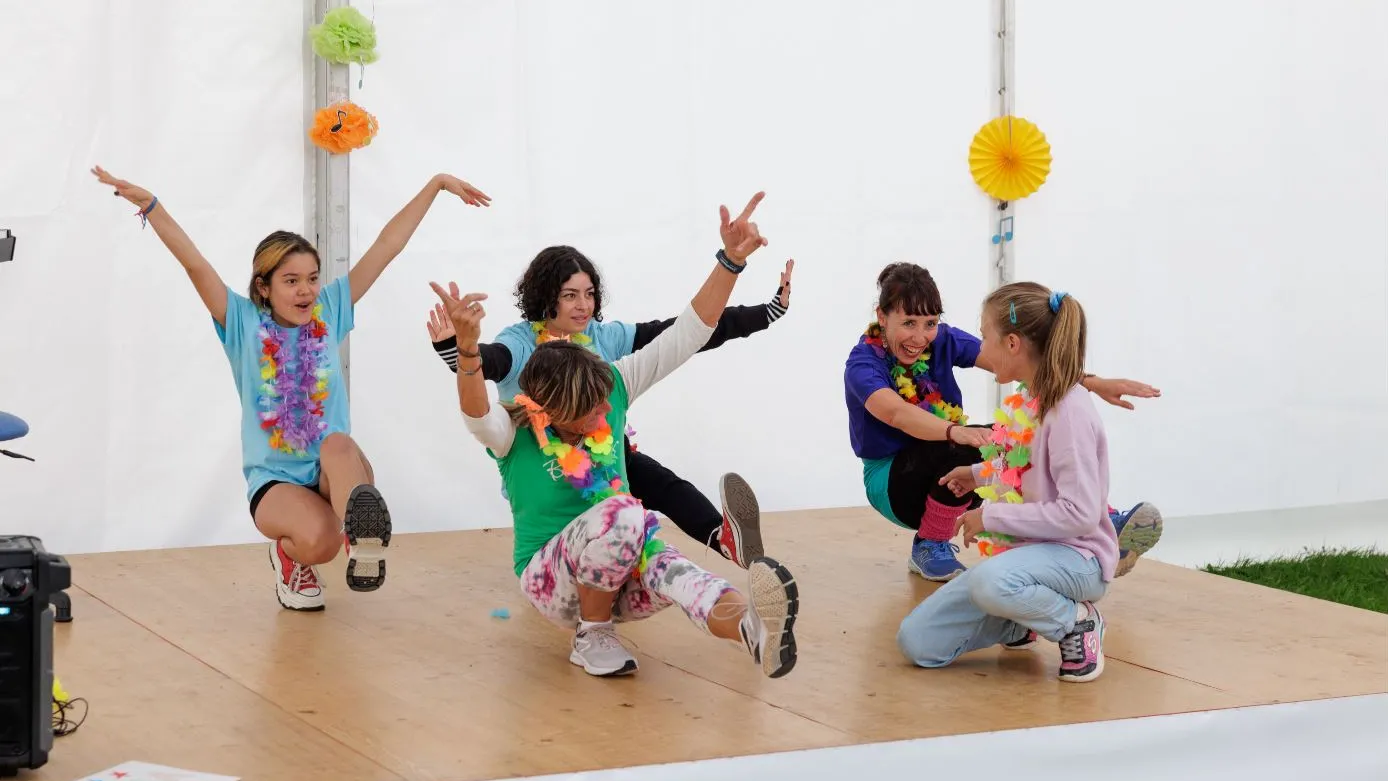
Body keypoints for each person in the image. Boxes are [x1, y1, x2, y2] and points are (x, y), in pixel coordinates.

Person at [91, 164, 491, 612]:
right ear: (263, 288)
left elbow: (386, 246)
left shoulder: (332, 308)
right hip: (275, 480)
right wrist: (152, 206)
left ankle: (364, 544)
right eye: (291, 280)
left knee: (338, 443)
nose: (306, 291)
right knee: (318, 543)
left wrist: (434, 185)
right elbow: (194, 262)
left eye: (312, 278)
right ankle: (290, 555)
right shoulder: (240, 321)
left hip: (332, 473)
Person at [432, 194, 798, 678]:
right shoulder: (511, 431)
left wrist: (730, 262)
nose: (610, 410)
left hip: (624, 563)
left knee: (681, 571)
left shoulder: (616, 383)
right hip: (552, 582)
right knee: (627, 511)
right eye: (595, 406)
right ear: (554, 406)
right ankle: (592, 635)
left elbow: (688, 332)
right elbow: (476, 408)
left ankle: (755, 630)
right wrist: (464, 349)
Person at [844, 262, 1163, 582]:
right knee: (976, 442)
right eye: (908, 322)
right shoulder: (863, 363)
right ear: (882, 317)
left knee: (1021, 444)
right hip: (892, 483)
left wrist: (1092, 382)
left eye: (930, 323)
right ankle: (930, 544)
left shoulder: (943, 340)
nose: (920, 336)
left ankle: (1099, 521)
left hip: (952, 467)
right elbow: (895, 413)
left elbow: (1019, 359)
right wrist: (957, 432)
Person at [897, 283, 1118, 683]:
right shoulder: (1031, 398)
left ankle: (1076, 621)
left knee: (988, 581)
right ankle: (1022, 619)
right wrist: (978, 474)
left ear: (1013, 343)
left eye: (985, 337)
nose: (982, 347)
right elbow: (1025, 466)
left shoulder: (1067, 412)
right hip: (1027, 560)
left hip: (1078, 559)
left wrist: (992, 517)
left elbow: (1081, 514)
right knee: (918, 642)